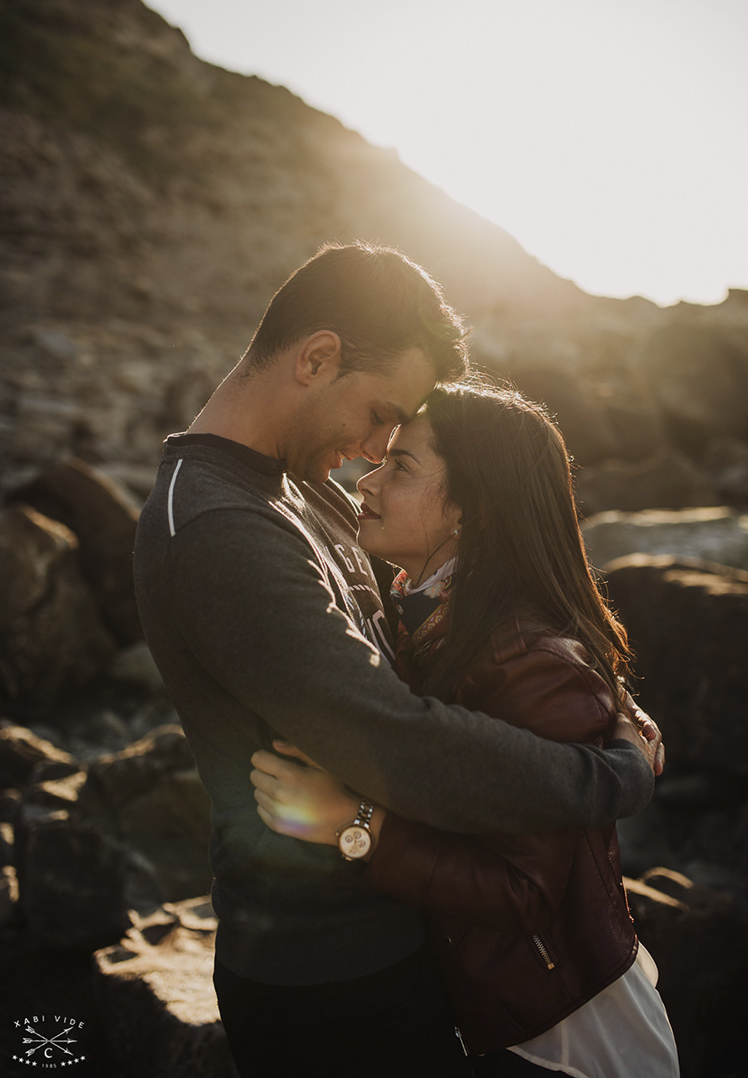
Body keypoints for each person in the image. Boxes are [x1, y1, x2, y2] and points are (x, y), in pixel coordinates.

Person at [133, 243, 659, 1078]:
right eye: (380, 414)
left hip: (395, 939)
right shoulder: (217, 529)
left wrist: (610, 702)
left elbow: (458, 620)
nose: (376, 448)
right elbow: (392, 733)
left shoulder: (301, 489)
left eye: (398, 436)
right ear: (316, 358)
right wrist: (610, 776)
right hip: (322, 978)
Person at [249, 379, 680, 1076]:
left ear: (470, 511)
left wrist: (354, 825)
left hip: (564, 1037)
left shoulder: (527, 660)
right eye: (380, 460)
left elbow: (526, 894)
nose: (369, 481)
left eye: (402, 467)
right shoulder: (423, 617)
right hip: (504, 1015)